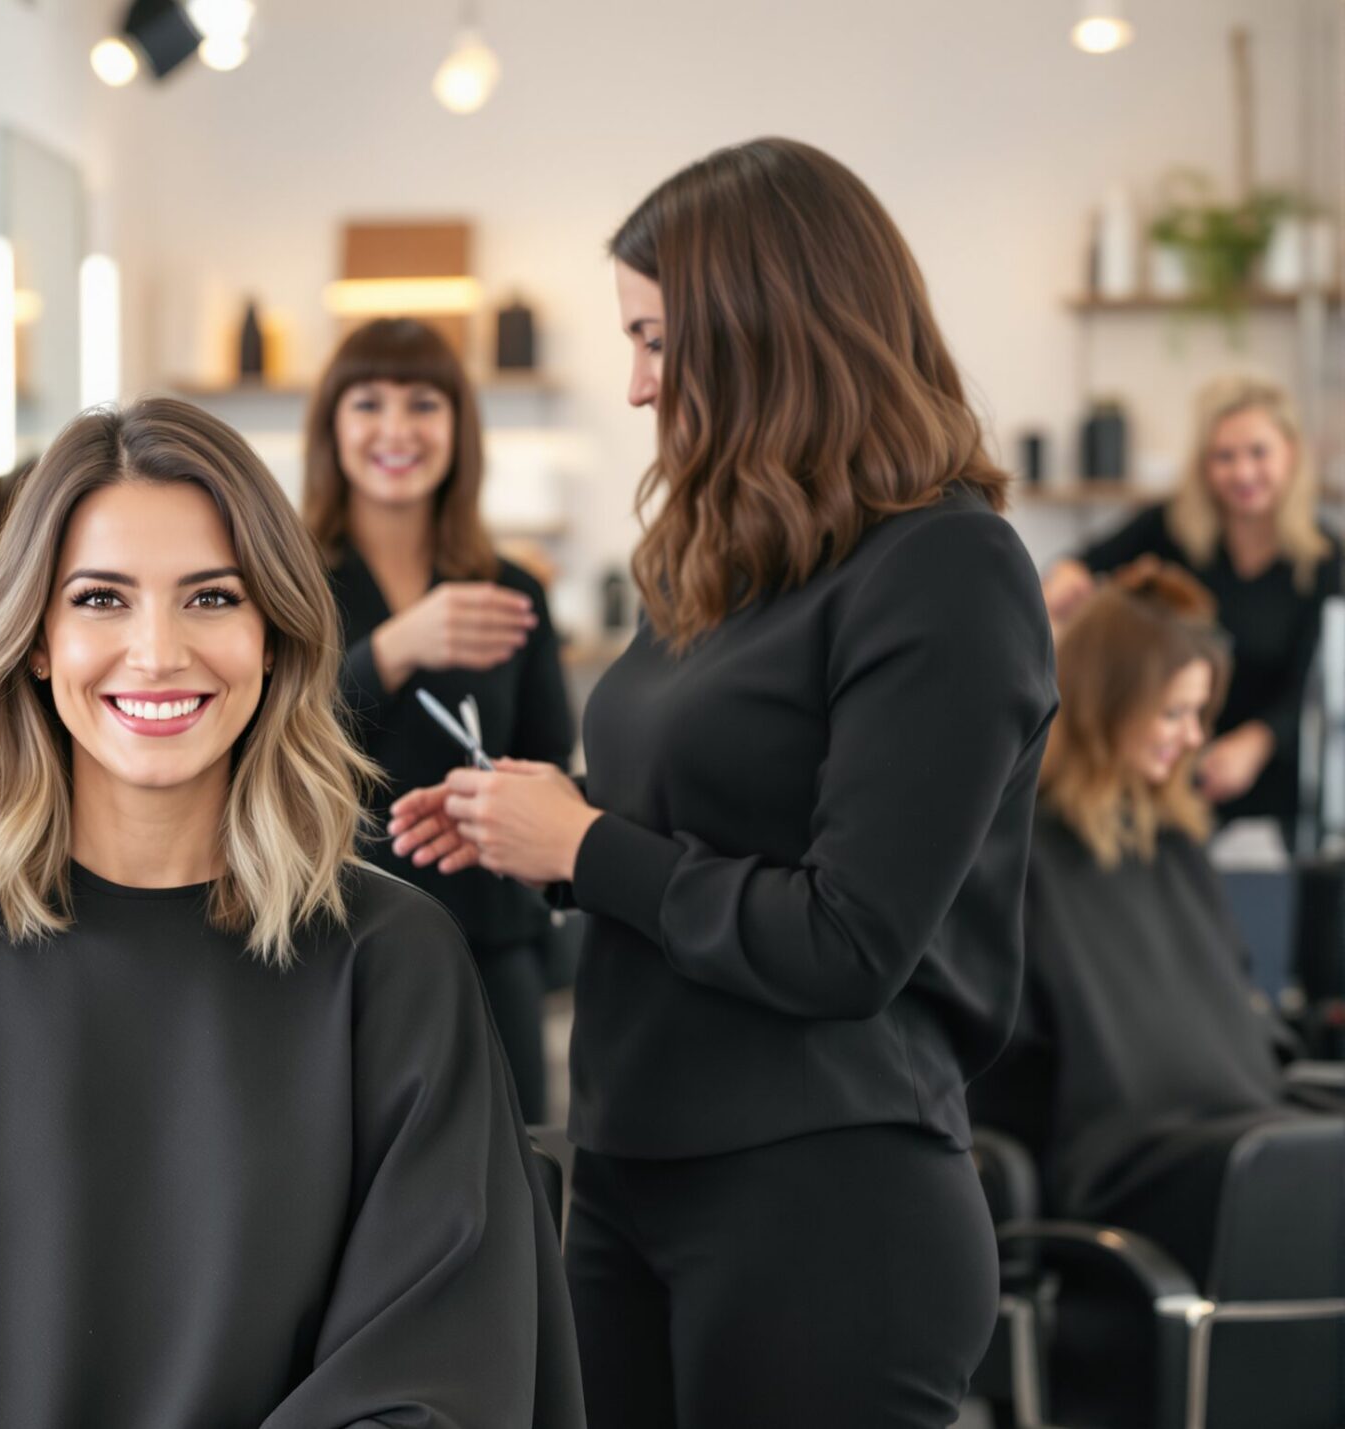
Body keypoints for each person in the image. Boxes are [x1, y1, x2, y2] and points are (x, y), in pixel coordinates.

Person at [0, 398, 582, 1428]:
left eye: (209, 598)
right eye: (101, 599)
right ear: (33, 640)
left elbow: (432, 1369)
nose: (156, 653)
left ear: (275, 634)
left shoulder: (391, 961)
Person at [392, 137, 1057, 1427]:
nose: (635, 386)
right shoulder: (719, 558)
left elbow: (845, 940)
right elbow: (705, 815)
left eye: (654, 340)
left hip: (825, 1192)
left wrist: (584, 847)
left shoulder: (946, 572)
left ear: (764, 327)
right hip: (633, 1158)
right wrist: (532, 817)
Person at [970, 562, 1332, 1285]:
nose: (1193, 736)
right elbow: (1004, 1069)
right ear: (1107, 704)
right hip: (1119, 1165)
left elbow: (1239, 1019)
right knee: (1295, 1172)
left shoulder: (1174, 844)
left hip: (1235, 1129)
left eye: (1201, 714)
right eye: (1174, 712)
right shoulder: (1020, 855)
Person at [303, 315, 572, 1122]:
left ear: (458, 426)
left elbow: (547, 765)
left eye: (423, 403)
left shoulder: (513, 590)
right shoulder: (290, 584)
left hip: (490, 940)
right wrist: (391, 650)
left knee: (515, 1178)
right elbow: (270, 746)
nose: (396, 428)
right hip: (333, 937)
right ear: (332, 426)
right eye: (368, 403)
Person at [1041, 377, 1340, 835]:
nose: (1242, 472)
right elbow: (1083, 565)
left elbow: (1318, 681)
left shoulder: (1327, 561)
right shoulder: (1169, 527)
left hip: (1274, 781)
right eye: (1224, 456)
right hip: (1163, 772)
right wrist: (1061, 581)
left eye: (1258, 453)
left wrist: (1258, 743)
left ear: (1291, 454)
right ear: (1203, 464)